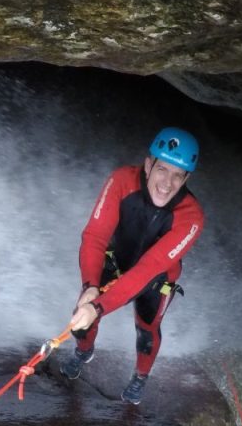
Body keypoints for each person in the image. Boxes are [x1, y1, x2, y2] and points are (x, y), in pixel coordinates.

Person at [61, 127, 204, 404]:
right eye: (162, 169)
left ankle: (140, 378)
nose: (167, 183)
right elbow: (95, 236)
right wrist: (90, 288)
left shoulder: (191, 217)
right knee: (83, 313)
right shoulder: (122, 181)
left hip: (156, 277)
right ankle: (83, 351)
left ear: (187, 178)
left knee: (147, 329)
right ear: (148, 164)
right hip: (115, 261)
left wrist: (99, 305)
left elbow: (149, 268)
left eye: (178, 175)